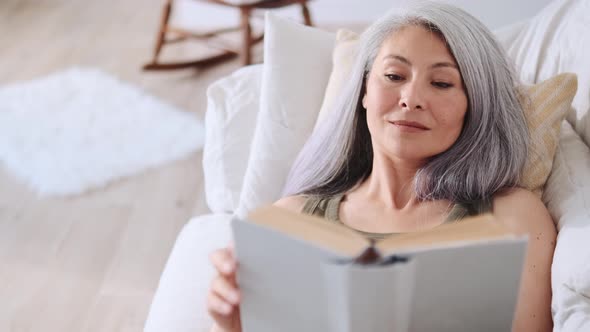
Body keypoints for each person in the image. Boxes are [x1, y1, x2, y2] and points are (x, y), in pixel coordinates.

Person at [207, 2, 556, 331]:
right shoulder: (291, 221)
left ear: (475, 106)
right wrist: (234, 326)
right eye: (393, 76)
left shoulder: (512, 217)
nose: (411, 98)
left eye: (441, 83)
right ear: (363, 91)